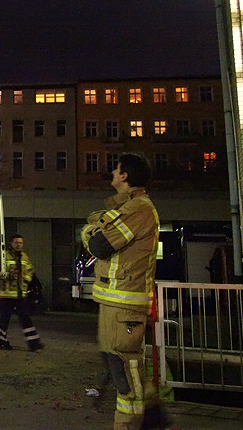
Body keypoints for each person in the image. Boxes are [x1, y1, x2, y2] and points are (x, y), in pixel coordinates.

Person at [81, 153, 170, 430]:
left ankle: (131, 424)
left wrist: (89, 231)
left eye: (116, 169)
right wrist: (95, 227)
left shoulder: (138, 209)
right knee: (117, 362)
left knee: (123, 366)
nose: (112, 172)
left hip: (125, 304)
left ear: (125, 176)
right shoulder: (130, 207)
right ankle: (153, 417)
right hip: (115, 303)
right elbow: (98, 226)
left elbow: (98, 244)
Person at [0, 234, 44, 351]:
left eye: (20, 243)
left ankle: (34, 343)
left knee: (26, 318)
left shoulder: (24, 257)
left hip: (20, 294)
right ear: (11, 244)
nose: (18, 245)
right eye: (16, 242)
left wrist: (25, 278)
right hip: (6, 294)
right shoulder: (4, 256)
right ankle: (3, 342)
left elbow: (30, 271)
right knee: (5, 319)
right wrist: (9, 275)